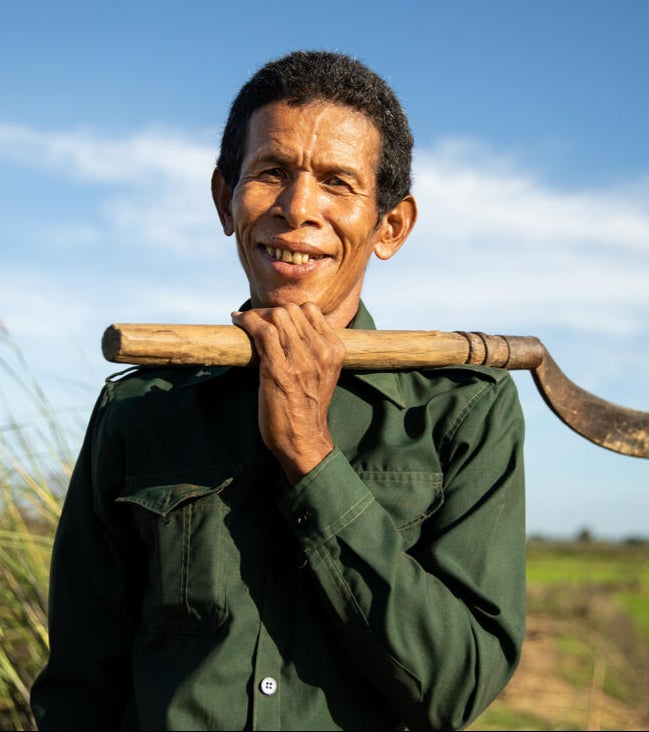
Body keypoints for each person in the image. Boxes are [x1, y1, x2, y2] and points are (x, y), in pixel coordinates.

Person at [30, 50, 526, 731]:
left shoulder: (462, 408)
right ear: (224, 199)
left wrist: (310, 457)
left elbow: (456, 688)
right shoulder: (140, 407)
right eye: (271, 173)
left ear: (391, 226)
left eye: (337, 182)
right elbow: (80, 687)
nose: (298, 209)